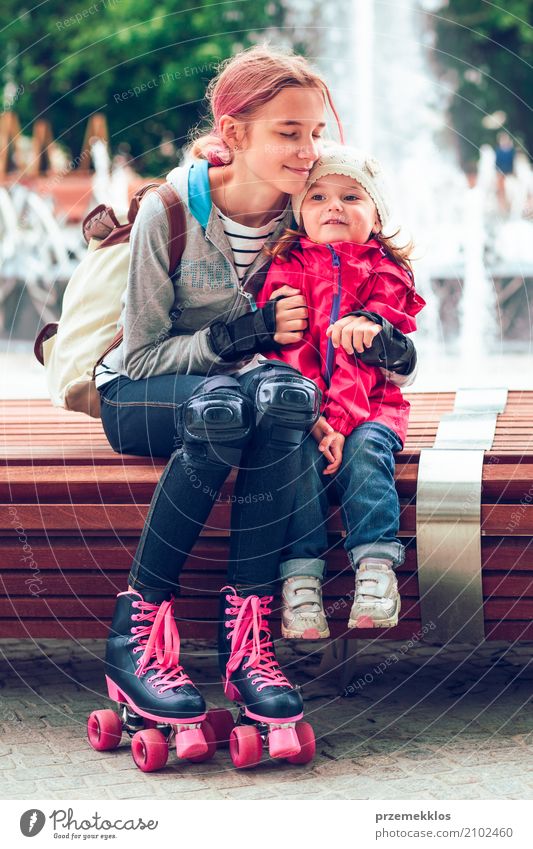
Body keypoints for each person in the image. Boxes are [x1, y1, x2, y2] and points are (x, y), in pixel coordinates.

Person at [92, 45, 345, 756]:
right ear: (233, 134)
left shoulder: (305, 216)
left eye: (314, 133)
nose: (307, 151)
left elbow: (350, 311)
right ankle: (136, 635)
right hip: (142, 394)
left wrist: (327, 407)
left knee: (285, 398)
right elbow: (139, 354)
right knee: (225, 404)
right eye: (287, 133)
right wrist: (233, 339)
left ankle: (247, 644)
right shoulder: (170, 211)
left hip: (240, 396)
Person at [256, 144, 425, 640]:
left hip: (371, 408)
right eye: (319, 197)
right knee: (297, 458)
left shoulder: (386, 273)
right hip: (307, 414)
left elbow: (361, 363)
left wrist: (343, 424)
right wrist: (315, 419)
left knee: (366, 450)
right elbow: (289, 353)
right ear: (299, 214)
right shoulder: (286, 267)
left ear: (375, 216)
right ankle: (301, 578)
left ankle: (375, 568)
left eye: (352, 196)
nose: (334, 206)